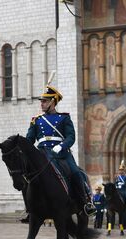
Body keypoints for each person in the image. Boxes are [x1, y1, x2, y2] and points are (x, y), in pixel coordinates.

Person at [26, 85, 95, 216]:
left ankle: (86, 203)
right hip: (42, 153)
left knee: (76, 173)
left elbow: (71, 137)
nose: (41, 104)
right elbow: (29, 139)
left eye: (44, 101)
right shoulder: (36, 120)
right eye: (41, 101)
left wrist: (61, 146)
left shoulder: (64, 118)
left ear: (53, 102)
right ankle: (30, 208)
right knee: (28, 175)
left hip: (61, 153)